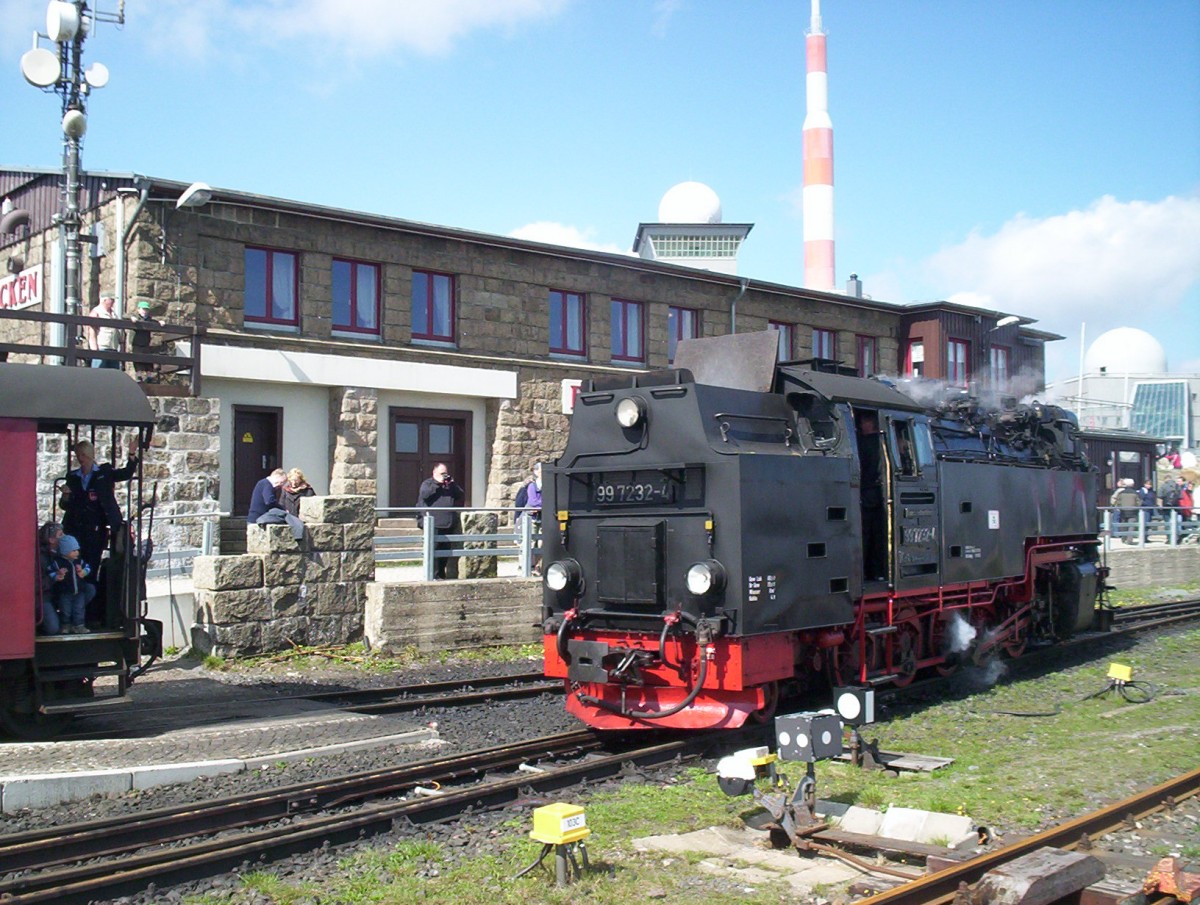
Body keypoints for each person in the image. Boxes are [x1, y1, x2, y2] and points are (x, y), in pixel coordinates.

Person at [60, 437, 139, 584]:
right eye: (78, 455)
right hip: (76, 528)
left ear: (90, 455)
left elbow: (126, 473)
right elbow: (65, 506)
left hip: (96, 530)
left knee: (90, 567)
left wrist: (132, 453)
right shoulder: (72, 476)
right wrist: (65, 495)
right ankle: (79, 599)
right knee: (74, 567)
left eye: (83, 455)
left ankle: (90, 599)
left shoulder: (104, 473)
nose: (80, 458)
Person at [416, 463, 464, 579]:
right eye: (442, 473)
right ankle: (432, 576)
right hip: (433, 524)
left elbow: (460, 495)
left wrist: (452, 484)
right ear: (434, 473)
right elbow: (425, 495)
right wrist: (438, 483)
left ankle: (441, 575)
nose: (444, 476)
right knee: (434, 552)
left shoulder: (449, 486)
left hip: (447, 524)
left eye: (445, 473)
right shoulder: (428, 484)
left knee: (445, 552)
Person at [48, 534, 97, 634]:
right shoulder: (58, 563)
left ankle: (79, 625)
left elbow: (88, 568)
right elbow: (49, 571)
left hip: (79, 591)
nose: (77, 552)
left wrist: (83, 572)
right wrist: (57, 575)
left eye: (77, 550)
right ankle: (65, 625)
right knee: (65, 610)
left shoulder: (79, 561)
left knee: (79, 609)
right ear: (65, 551)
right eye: (74, 550)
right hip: (65, 591)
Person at [513, 461, 543, 576]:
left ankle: (537, 567)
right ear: (535, 472)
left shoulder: (549, 485)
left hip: (542, 517)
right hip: (530, 517)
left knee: (541, 543)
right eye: (540, 471)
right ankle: (525, 567)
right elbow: (529, 502)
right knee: (529, 542)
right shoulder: (530, 485)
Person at [37, 522, 65, 635]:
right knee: (52, 628)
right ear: (51, 540)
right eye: (61, 534)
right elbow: (35, 584)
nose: (64, 537)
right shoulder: (39, 557)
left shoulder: (63, 553)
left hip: (58, 593)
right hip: (43, 597)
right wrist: (53, 578)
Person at [87, 295, 122, 369]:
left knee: (113, 374)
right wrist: (94, 348)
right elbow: (91, 330)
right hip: (102, 346)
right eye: (111, 299)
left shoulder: (113, 313)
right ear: (104, 300)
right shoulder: (96, 312)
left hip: (113, 347)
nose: (113, 302)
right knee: (99, 372)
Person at [130, 300, 161, 382]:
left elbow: (155, 322)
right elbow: (125, 316)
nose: (145, 311)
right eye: (143, 309)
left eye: (146, 309)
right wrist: (132, 319)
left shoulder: (149, 320)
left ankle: (149, 376)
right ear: (138, 309)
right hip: (136, 343)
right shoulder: (135, 317)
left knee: (148, 360)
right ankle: (139, 376)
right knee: (137, 360)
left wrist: (160, 323)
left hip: (146, 343)